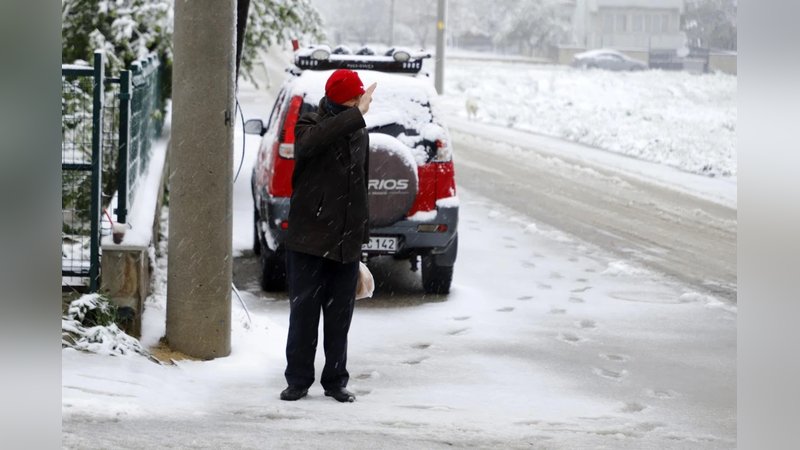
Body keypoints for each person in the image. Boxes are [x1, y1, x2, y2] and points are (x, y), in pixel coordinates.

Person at [280, 69, 377, 403]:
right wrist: (355, 116)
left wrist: (360, 237)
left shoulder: (358, 132)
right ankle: (298, 380)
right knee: (304, 315)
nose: (360, 103)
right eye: (354, 98)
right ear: (339, 98)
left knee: (339, 320)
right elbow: (313, 143)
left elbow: (359, 186)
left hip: (344, 242)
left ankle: (335, 381)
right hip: (308, 240)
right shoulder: (310, 124)